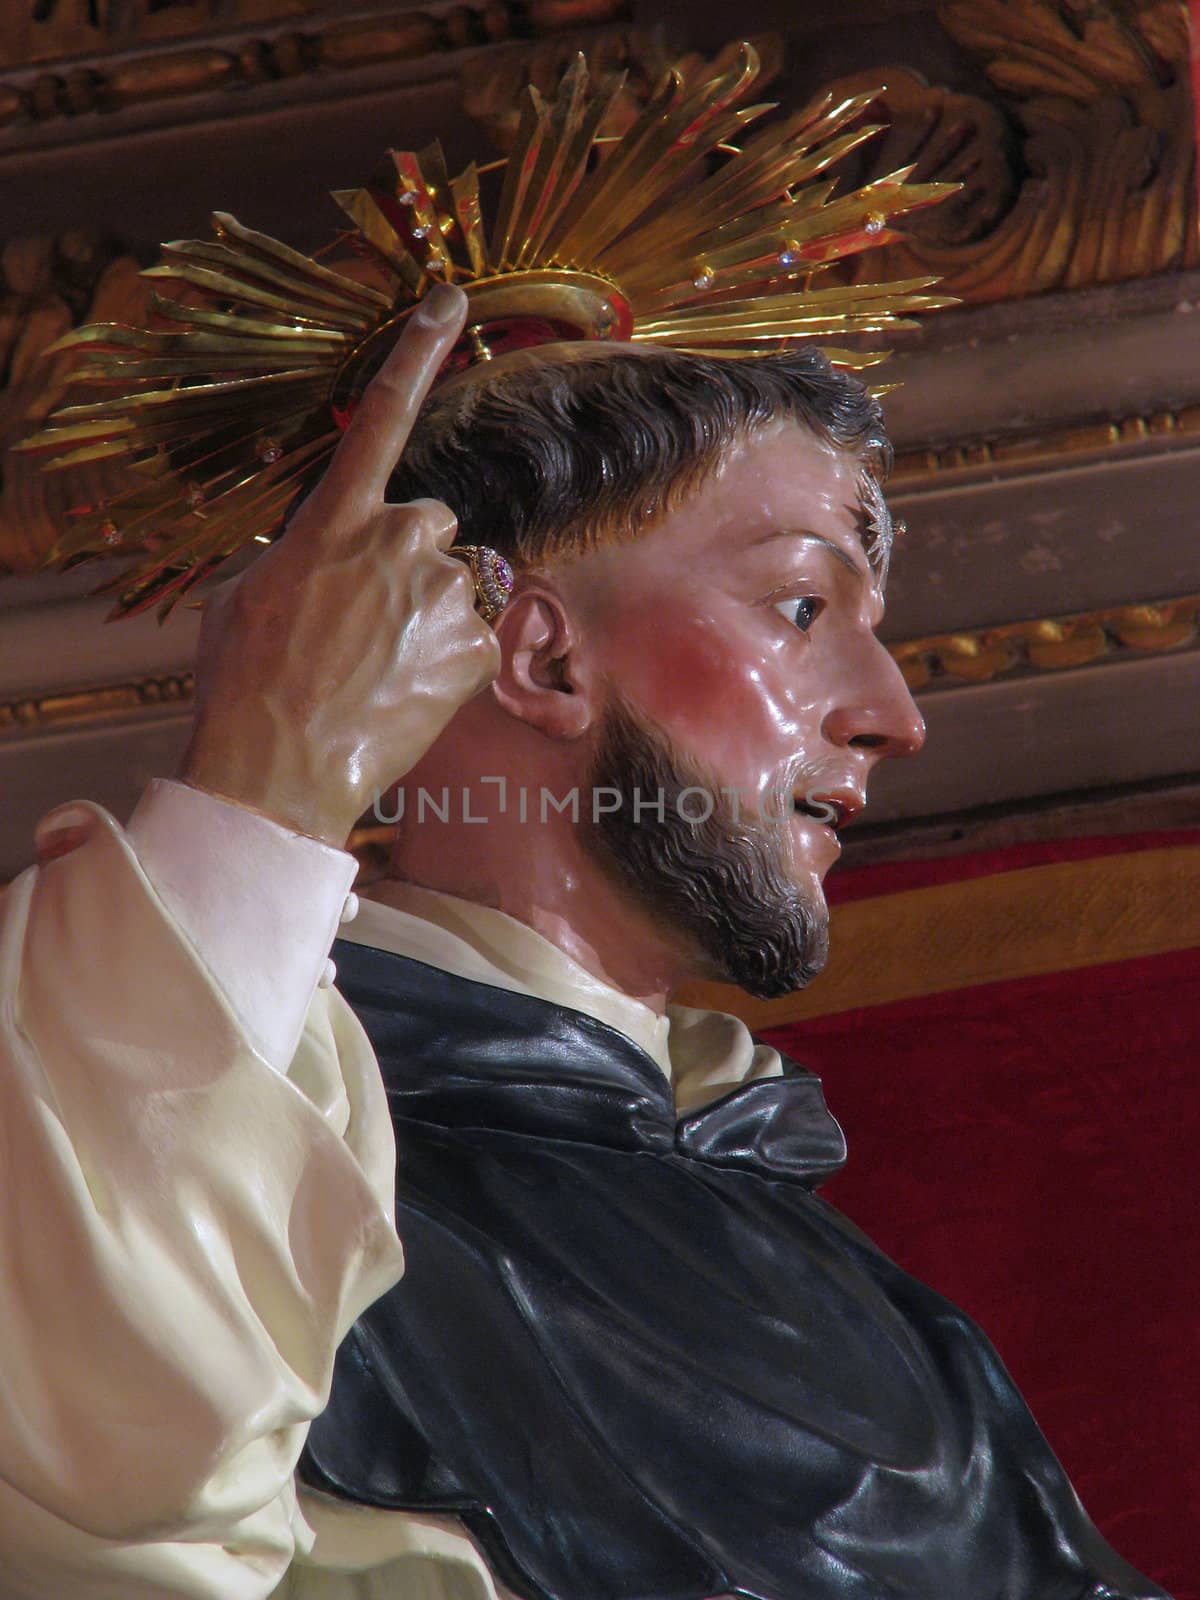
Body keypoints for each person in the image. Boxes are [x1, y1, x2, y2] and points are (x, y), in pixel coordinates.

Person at [0, 279, 1171, 1600]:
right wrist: (267, 785)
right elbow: (94, 1478)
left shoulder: (867, 1300)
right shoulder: (227, 1169)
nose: (891, 714)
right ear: (542, 659)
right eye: (800, 609)